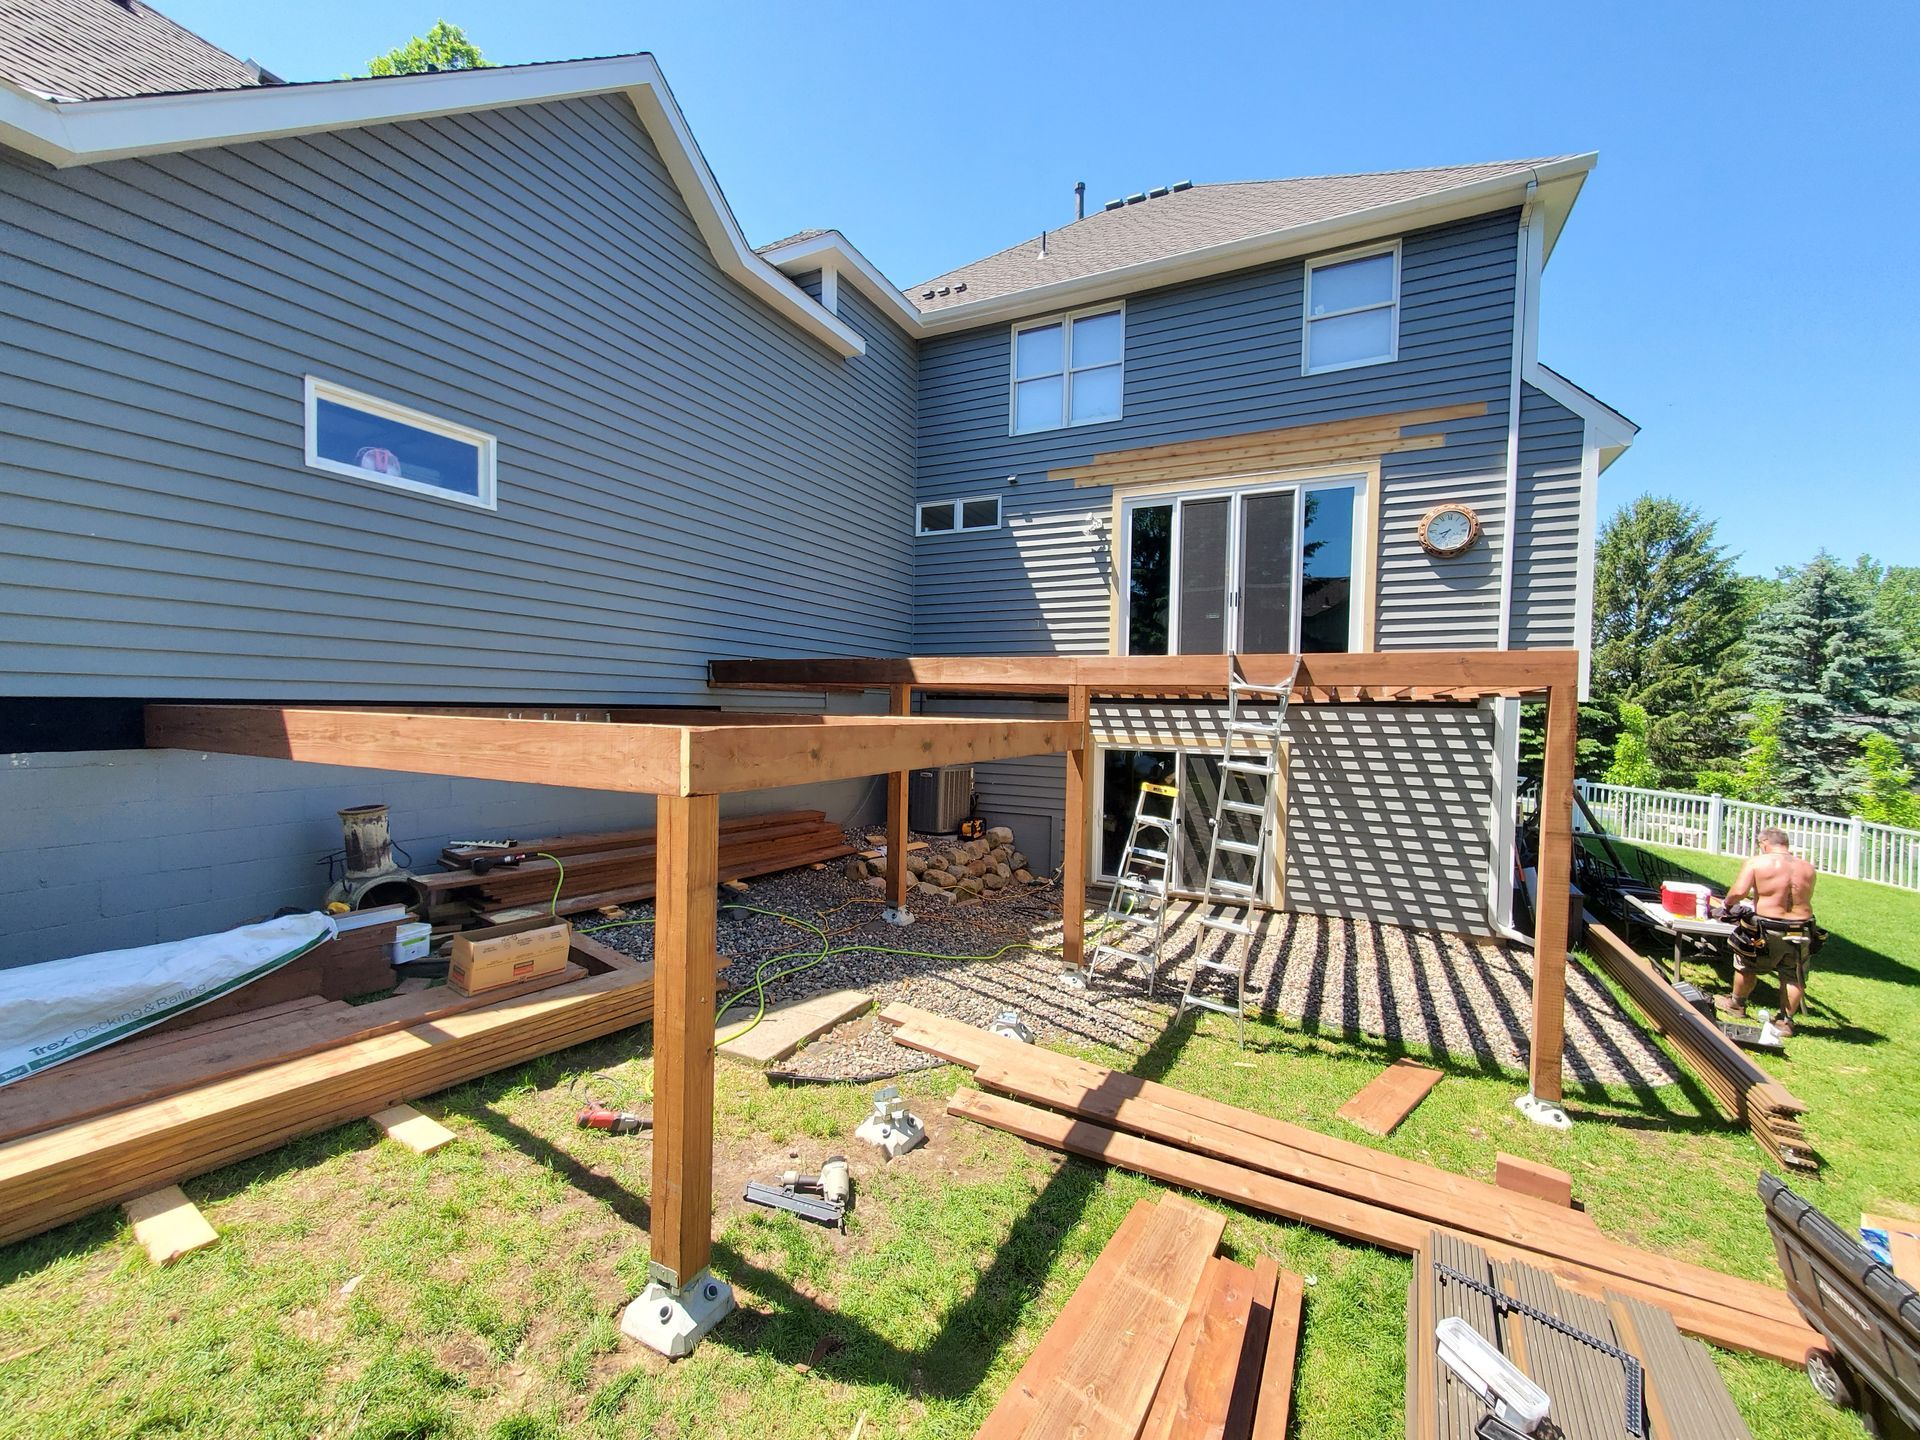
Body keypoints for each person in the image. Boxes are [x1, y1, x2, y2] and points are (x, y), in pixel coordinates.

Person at [1716, 827, 1819, 1037]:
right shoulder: (1808, 867)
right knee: (1793, 975)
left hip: (1769, 926)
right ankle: (1785, 1022)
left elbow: (1739, 891)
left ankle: (1736, 1005)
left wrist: (1726, 905)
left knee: (1747, 964)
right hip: (1802, 928)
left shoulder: (1757, 862)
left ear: (1764, 843)